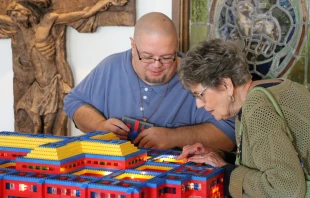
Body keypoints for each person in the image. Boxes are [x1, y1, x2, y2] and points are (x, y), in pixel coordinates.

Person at [63, 12, 236, 150]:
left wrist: (174, 137)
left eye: (167, 57)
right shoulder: (111, 67)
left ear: (177, 45)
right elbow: (73, 102)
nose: (156, 65)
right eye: (147, 57)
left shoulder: (197, 76)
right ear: (133, 46)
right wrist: (99, 125)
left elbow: (230, 135)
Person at [177, 38, 310, 197]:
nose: (199, 104)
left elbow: (285, 189)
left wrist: (227, 172)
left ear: (226, 85)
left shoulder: (257, 107)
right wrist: (218, 156)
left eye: (200, 94)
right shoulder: (272, 89)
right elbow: (268, 158)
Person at [0, 0, 127, 135]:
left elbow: (85, 13)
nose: (14, 19)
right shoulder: (22, 27)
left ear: (26, 12)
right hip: (37, 86)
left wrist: (106, 2)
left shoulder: (49, 20)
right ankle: (33, 155)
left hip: (52, 85)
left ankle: (50, 151)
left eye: (15, 15)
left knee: (49, 127)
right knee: (36, 126)